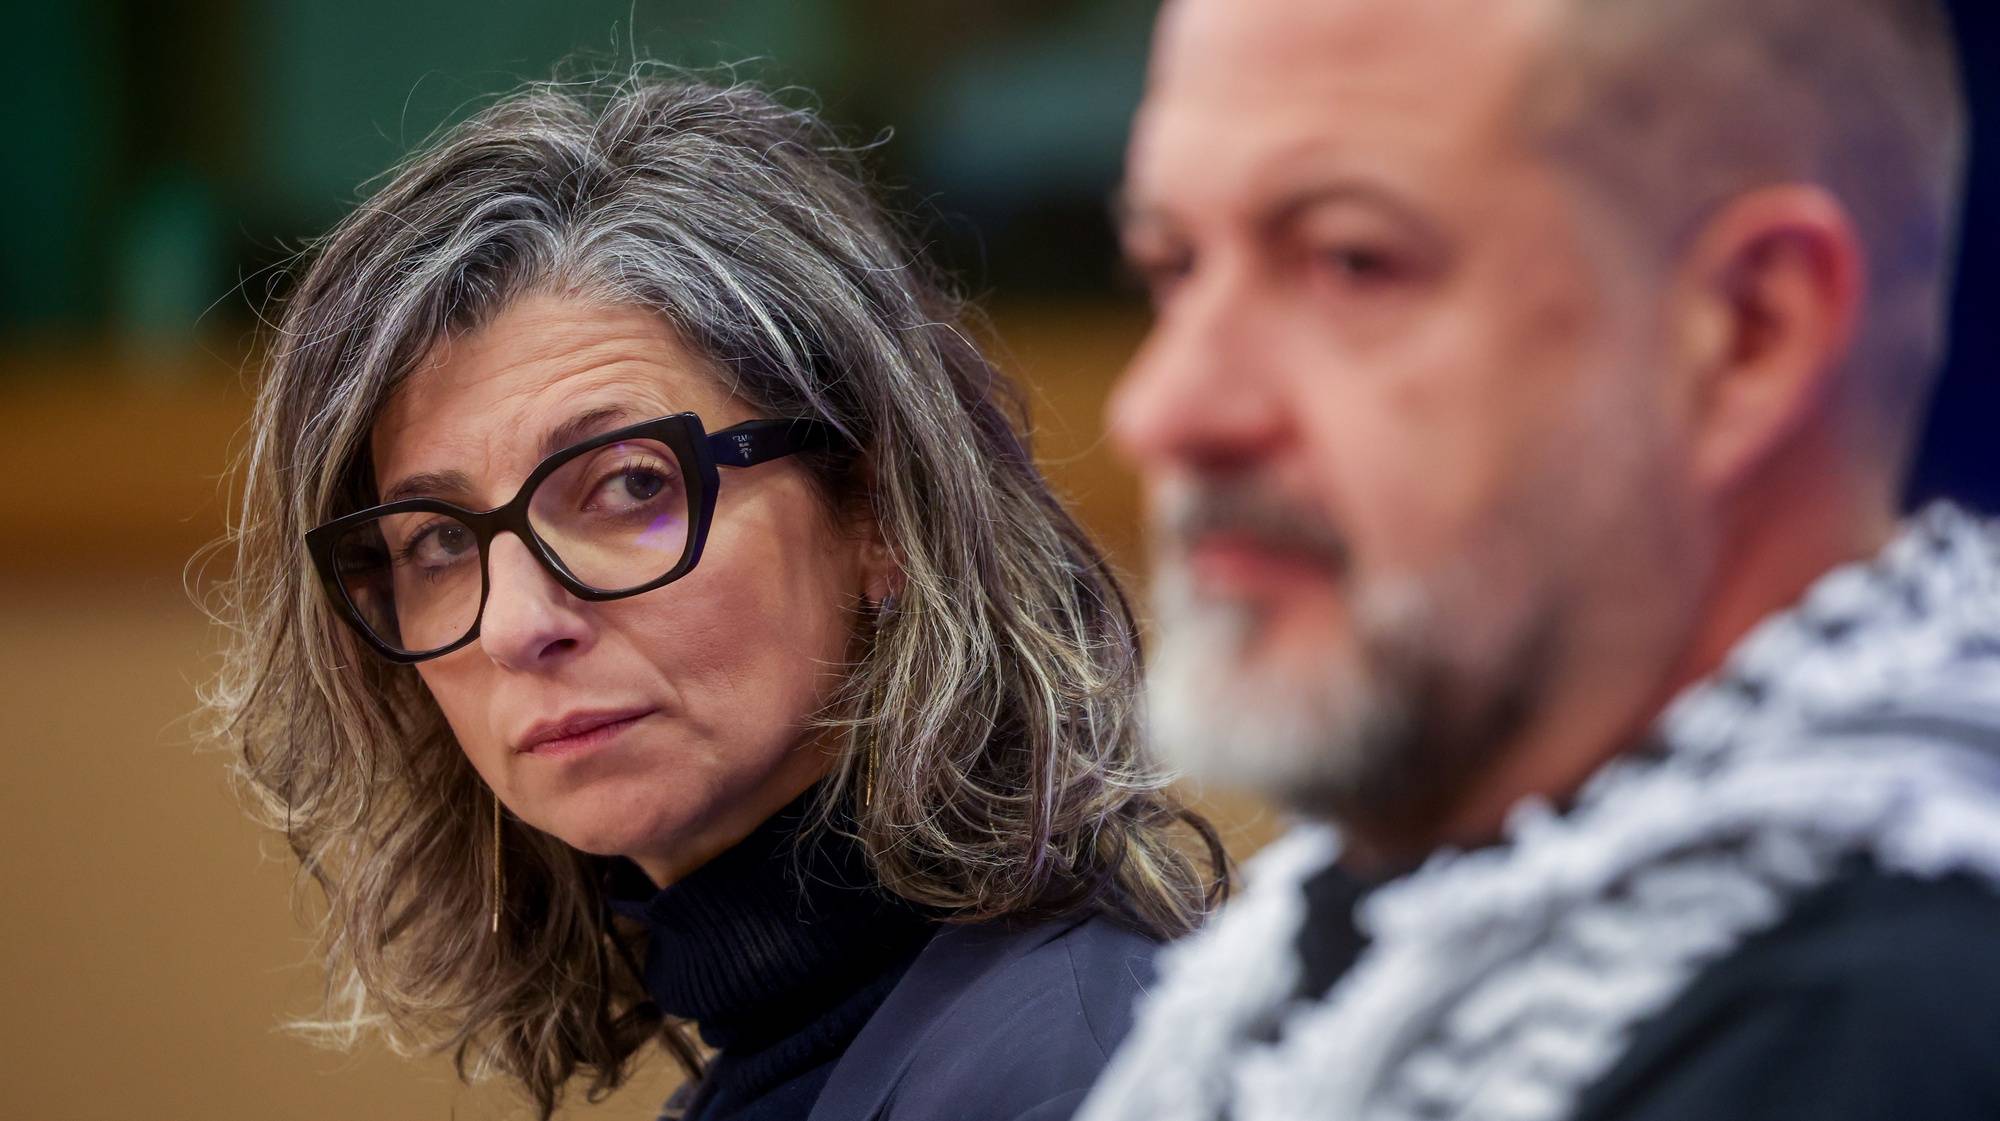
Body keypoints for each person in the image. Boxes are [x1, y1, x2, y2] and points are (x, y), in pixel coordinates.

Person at [201, 72, 1225, 1121]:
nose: (515, 623)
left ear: (877, 513)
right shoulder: (775, 1064)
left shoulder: (1075, 1070)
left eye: (628, 485)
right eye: (433, 542)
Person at [1080, 1, 2000, 1119]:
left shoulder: (1887, 1036)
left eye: (1349, 261)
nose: (1166, 409)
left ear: (1746, 330)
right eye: (1169, 266)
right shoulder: (1307, 958)